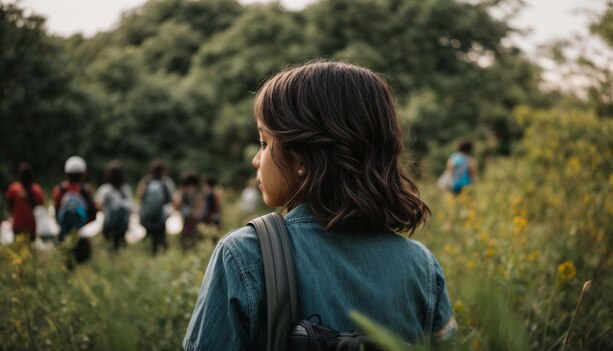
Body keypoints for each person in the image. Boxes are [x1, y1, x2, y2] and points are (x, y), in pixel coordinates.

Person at [184, 61, 456, 350]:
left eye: (264, 142)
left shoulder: (244, 255)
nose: (256, 159)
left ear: (302, 158)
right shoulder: (422, 267)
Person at [53, 156, 97, 243]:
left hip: (64, 227)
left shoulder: (60, 189)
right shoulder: (85, 190)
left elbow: (57, 210)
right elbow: (93, 213)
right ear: (82, 174)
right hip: (82, 228)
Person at [137, 160, 175, 255]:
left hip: (148, 216)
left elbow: (139, 196)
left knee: (149, 238)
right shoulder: (166, 182)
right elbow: (171, 199)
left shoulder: (146, 181)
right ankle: (162, 255)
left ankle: (148, 254)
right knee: (161, 238)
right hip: (161, 216)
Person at [95, 160, 133, 252]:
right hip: (122, 225)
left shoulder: (104, 190)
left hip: (108, 224)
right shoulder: (126, 189)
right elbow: (130, 206)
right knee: (120, 245)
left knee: (109, 247)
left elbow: (98, 206)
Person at [5, 163, 45, 241]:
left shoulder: (14, 189)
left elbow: (9, 206)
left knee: (18, 249)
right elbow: (40, 207)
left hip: (17, 225)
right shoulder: (36, 190)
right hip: (31, 226)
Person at [174, 170, 204, 250]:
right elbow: (200, 209)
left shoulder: (182, 192)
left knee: (186, 244)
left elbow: (176, 205)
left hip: (185, 224)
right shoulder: (198, 192)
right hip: (194, 223)